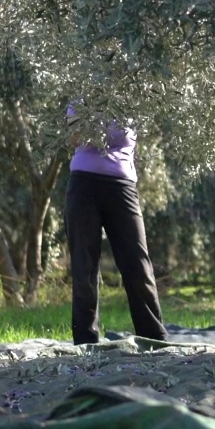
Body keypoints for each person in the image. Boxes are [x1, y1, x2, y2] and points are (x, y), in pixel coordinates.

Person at [65, 105, 168, 345]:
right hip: (83, 187)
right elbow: (74, 139)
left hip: (122, 188)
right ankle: (86, 341)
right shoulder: (82, 93)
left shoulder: (131, 94)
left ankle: (155, 338)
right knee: (84, 268)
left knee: (138, 265)